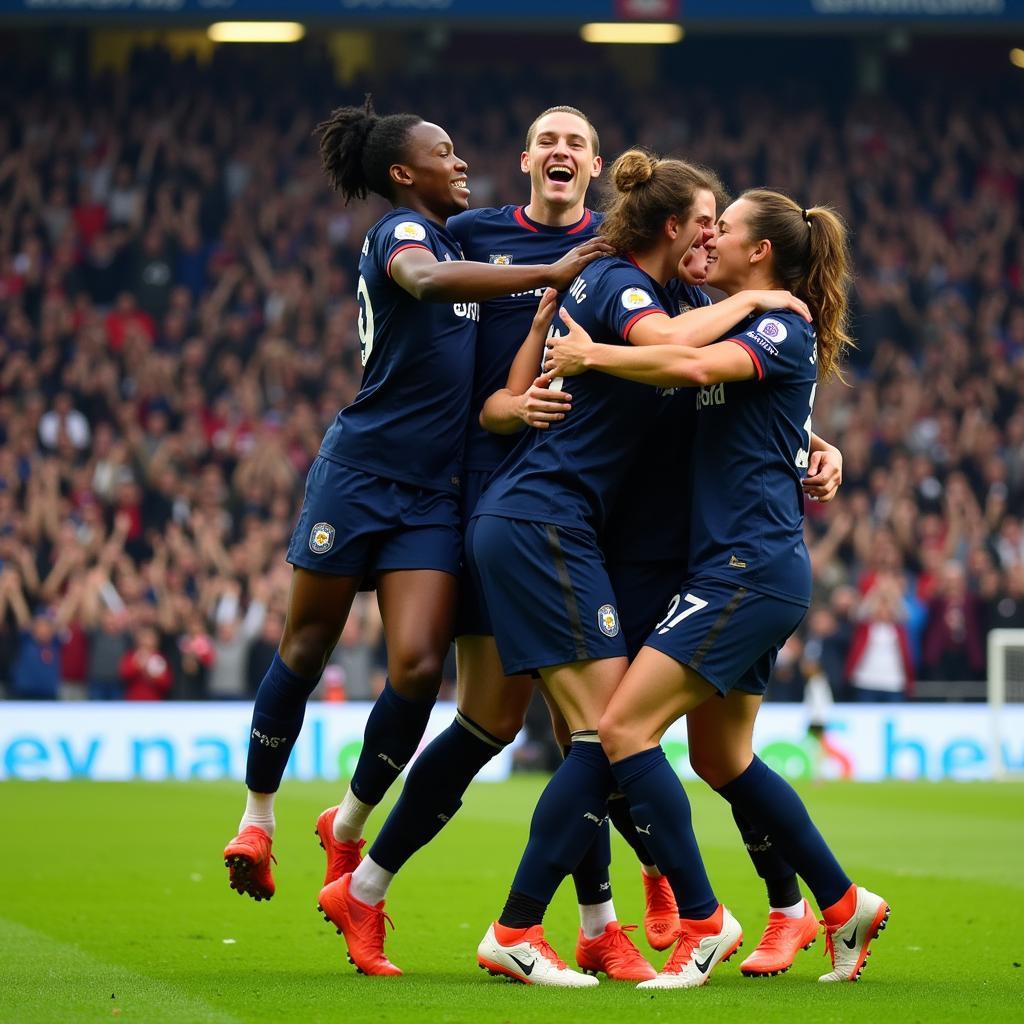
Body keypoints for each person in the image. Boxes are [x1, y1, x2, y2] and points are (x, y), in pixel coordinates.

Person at [221, 98, 607, 921]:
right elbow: (426, 283)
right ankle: (257, 818)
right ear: (405, 173)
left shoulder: (463, 238)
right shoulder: (404, 234)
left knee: (420, 669)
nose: (462, 162)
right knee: (308, 642)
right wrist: (546, 273)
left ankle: (350, 822)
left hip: (437, 491)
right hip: (360, 470)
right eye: (447, 151)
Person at [467, 150, 814, 987]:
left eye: (726, 225)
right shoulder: (626, 285)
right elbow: (676, 355)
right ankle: (684, 914)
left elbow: (727, 400)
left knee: (609, 739)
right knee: (604, 735)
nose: (714, 234)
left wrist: (811, 444)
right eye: (707, 221)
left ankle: (682, 913)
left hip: (569, 529)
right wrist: (759, 297)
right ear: (674, 226)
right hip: (543, 521)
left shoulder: (677, 299)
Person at [542, 188, 889, 988]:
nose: (711, 233)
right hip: (735, 567)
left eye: (724, 226)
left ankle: (700, 927)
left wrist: (592, 355)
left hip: (747, 567)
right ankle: (841, 905)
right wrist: (815, 441)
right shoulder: (734, 312)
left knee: (622, 728)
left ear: (760, 251)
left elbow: (696, 365)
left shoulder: (778, 320)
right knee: (723, 759)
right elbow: (740, 401)